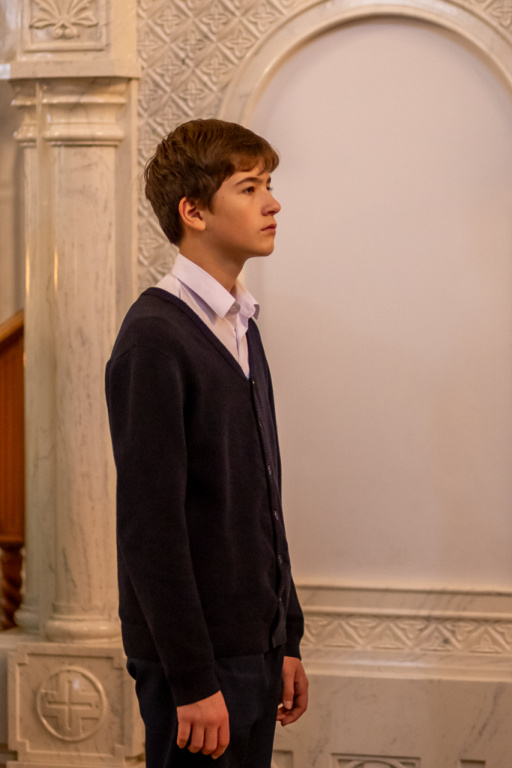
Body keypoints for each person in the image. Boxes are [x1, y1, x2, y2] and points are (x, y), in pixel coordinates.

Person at [105, 118, 308, 767]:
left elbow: (261, 499)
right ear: (193, 211)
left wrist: (286, 637)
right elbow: (150, 528)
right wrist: (193, 680)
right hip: (197, 666)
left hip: (255, 650)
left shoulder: (241, 326)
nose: (272, 204)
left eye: (268, 185)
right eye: (249, 188)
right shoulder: (155, 338)